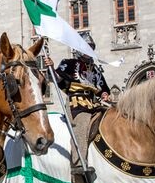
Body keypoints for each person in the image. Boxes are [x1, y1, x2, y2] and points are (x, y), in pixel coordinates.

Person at [47, 32, 110, 172]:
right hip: (76, 103)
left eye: (91, 47)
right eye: (86, 47)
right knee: (81, 122)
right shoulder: (68, 64)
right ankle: (78, 163)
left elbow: (103, 88)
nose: (89, 50)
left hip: (93, 102)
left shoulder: (95, 69)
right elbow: (58, 80)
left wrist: (105, 94)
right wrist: (51, 67)